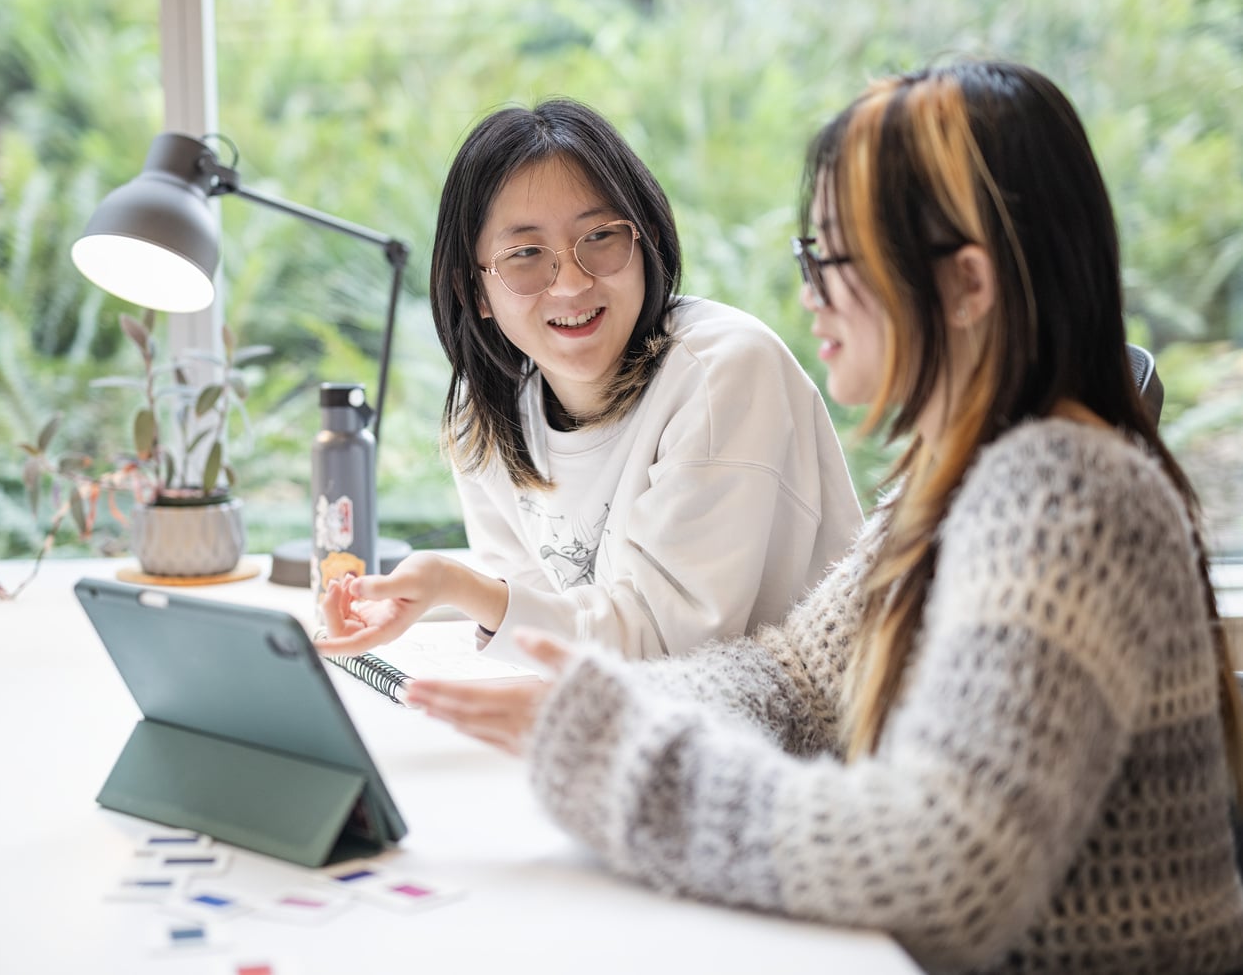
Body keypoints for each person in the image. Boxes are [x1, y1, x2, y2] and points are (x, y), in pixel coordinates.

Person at [402, 61, 1243, 974]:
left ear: (965, 284)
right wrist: (600, 707)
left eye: (836, 261)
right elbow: (799, 674)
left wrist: (628, 761)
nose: (809, 293)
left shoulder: (1065, 498)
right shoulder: (964, 471)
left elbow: (942, 869)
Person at [319, 98, 862, 663]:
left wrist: (459, 588)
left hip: (799, 736)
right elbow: (540, 635)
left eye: (600, 236)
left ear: (645, 239)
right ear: (474, 291)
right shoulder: (483, 423)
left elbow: (670, 649)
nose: (572, 283)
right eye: (526, 253)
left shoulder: (723, 372)